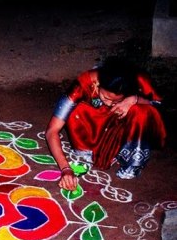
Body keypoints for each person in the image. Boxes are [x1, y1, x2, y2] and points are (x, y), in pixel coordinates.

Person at [45, 56, 167, 191]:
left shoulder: (138, 80)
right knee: (76, 109)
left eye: (115, 101)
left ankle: (129, 159)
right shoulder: (84, 83)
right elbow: (52, 130)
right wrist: (66, 168)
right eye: (105, 97)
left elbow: (159, 105)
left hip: (120, 125)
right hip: (94, 126)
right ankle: (87, 150)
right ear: (99, 84)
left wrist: (135, 99)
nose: (109, 103)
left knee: (142, 112)